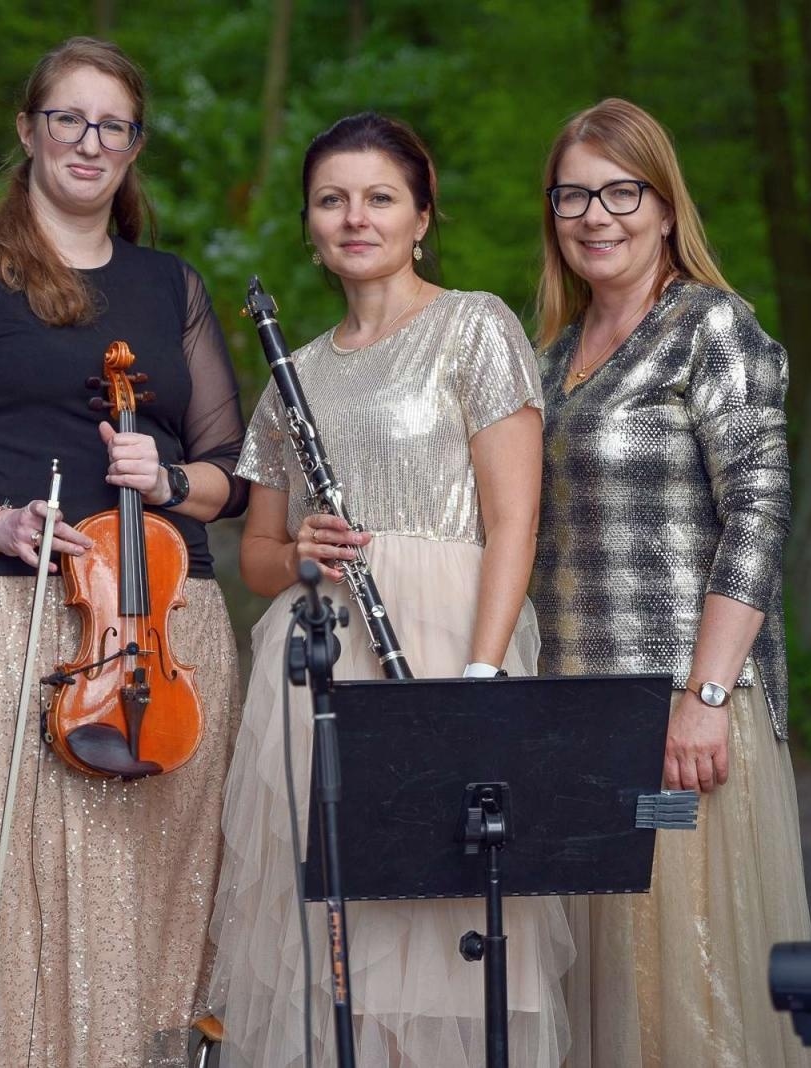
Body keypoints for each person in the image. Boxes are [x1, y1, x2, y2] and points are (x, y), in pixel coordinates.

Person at [0, 37, 247, 1068]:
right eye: (67, 117)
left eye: (112, 124)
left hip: (164, 619)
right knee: (1, 887)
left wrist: (165, 484)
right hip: (3, 617)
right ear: (27, 132)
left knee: (153, 897)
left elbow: (231, 474)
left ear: (133, 146)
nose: (89, 141)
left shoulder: (171, 286)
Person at [209, 113, 572, 1068]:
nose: (354, 218)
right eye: (332, 200)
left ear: (421, 215)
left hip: (449, 638)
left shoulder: (475, 325)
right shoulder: (296, 375)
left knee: (450, 913)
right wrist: (303, 558)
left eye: (379, 198)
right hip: (319, 661)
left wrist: (484, 674)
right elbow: (254, 558)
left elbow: (514, 524)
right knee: (330, 933)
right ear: (309, 224)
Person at [529, 98, 811, 1068]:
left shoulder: (711, 328)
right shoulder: (549, 361)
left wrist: (705, 695)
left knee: (683, 973)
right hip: (578, 717)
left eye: (621, 191)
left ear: (664, 207)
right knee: (605, 975)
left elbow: (759, 514)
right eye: (572, 194)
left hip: (678, 726)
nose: (594, 215)